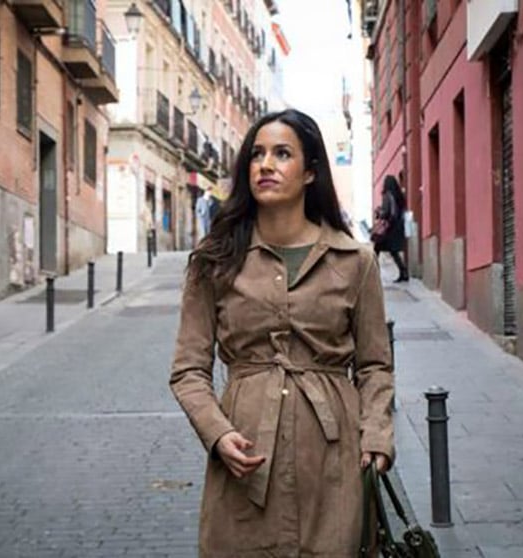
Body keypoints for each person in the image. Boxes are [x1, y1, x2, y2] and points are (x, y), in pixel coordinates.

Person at [170, 109, 395, 555]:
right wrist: (216, 433)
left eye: (282, 154)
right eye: (256, 154)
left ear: (311, 172)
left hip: (334, 455)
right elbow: (188, 370)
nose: (265, 165)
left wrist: (377, 436)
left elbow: (374, 365)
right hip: (246, 451)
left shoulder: (355, 261)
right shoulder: (214, 260)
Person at [374, 175, 409, 282]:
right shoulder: (398, 196)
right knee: (393, 251)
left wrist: (379, 213)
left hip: (389, 228)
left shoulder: (387, 196)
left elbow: (387, 212)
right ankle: (404, 273)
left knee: (377, 249)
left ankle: (373, 273)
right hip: (397, 227)